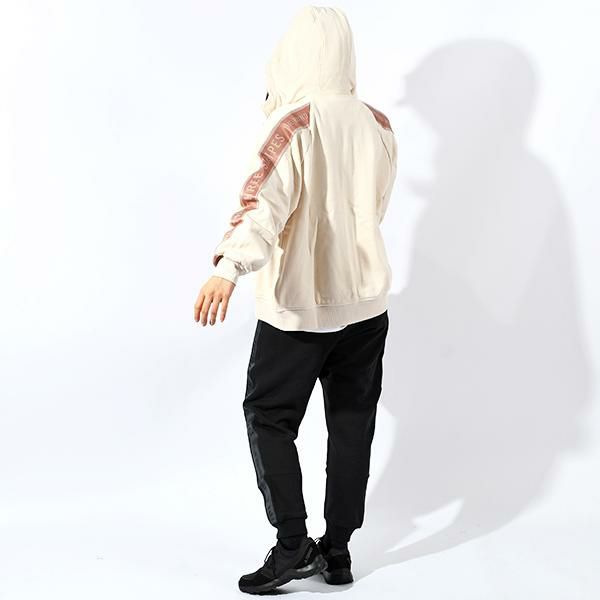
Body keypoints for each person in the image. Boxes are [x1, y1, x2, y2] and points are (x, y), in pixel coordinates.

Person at [193, 5, 398, 594]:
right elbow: (375, 209)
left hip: (300, 307)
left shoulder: (295, 122)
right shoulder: (379, 124)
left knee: (269, 415)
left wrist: (228, 269)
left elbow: (263, 203)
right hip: (366, 306)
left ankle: (291, 547)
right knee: (352, 422)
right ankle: (338, 552)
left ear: (295, 54)